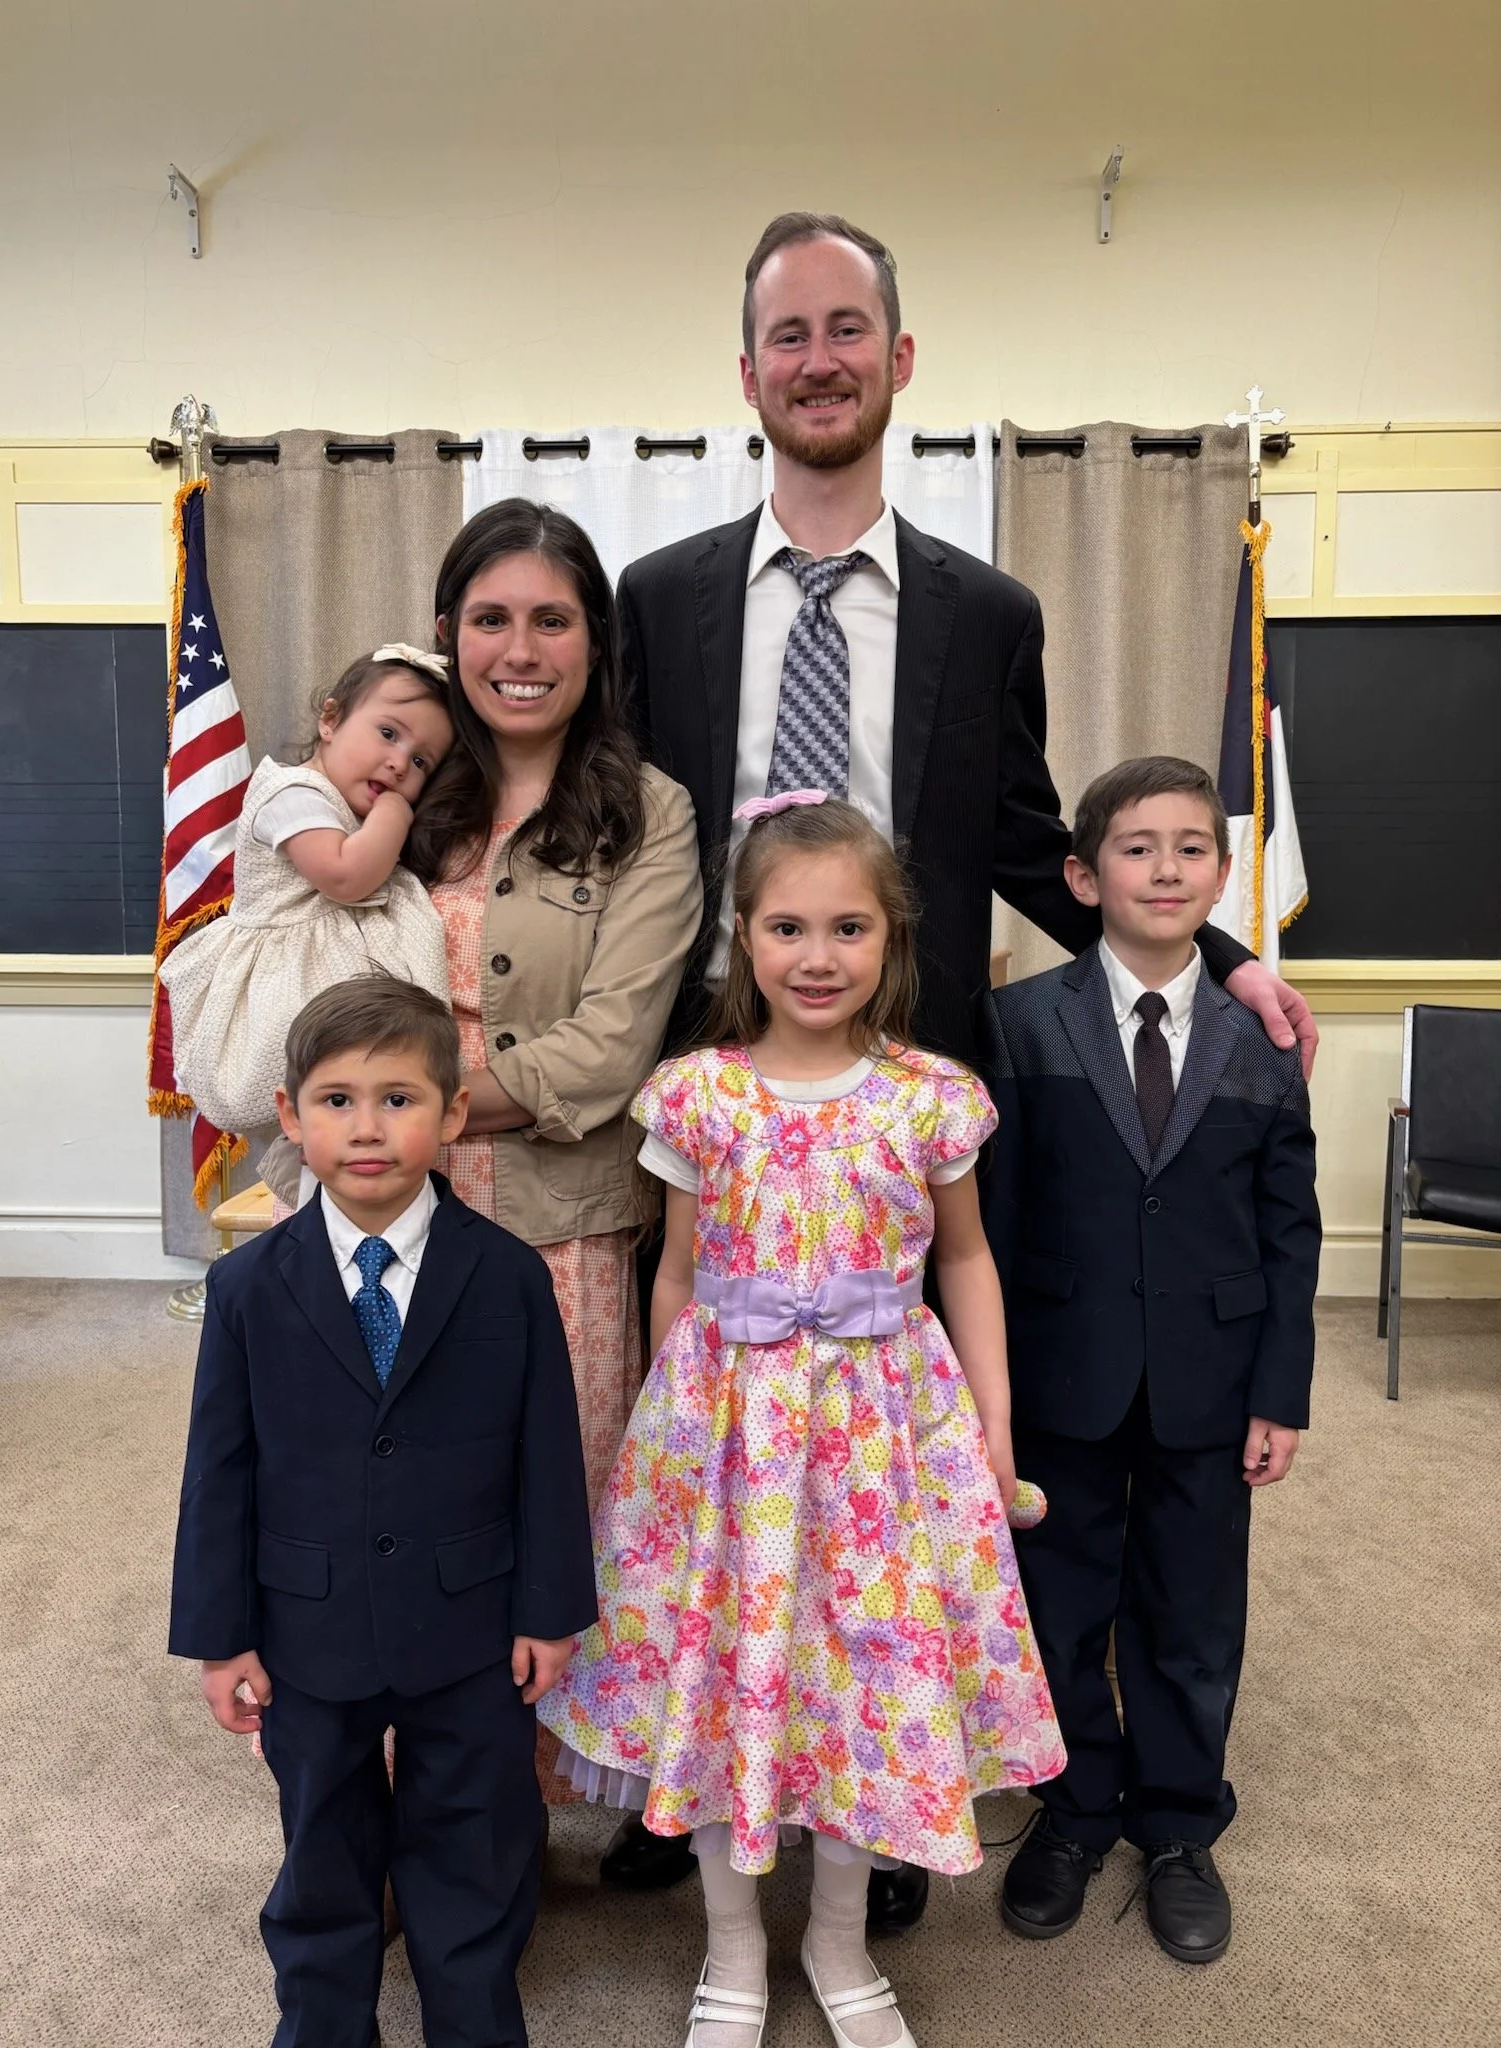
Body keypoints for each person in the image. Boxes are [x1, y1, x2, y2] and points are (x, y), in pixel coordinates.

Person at [609, 208, 1319, 1926]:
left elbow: (1028, 839)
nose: (822, 359)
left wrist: (1223, 963)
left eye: (851, 327)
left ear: (900, 358)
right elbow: (608, 835)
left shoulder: (988, 611)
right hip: (707, 1097)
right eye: (789, 334)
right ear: (750, 374)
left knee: (883, 1474)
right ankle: (698, 1773)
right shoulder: (661, 600)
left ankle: (874, 1765)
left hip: (894, 1115)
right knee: (718, 1449)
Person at [539, 794, 1065, 2048]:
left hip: (885, 1437)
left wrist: (992, 1429)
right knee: (728, 1680)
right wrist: (670, 1441)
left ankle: (836, 1941)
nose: (817, 955)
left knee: (855, 1689)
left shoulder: (930, 1096)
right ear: (742, 936)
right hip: (729, 1443)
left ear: (893, 939)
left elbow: (971, 1263)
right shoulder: (697, 1096)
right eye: (787, 926)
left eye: (848, 926)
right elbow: (674, 1270)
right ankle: (729, 1946)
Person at [168, 975, 597, 2047]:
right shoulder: (249, 1286)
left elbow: (549, 1453)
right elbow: (217, 1470)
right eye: (339, 1098)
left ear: (452, 1113)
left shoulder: (505, 1277)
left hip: (470, 1623)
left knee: (472, 1844)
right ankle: (321, 2023)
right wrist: (221, 1639)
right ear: (292, 1112)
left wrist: (550, 1611)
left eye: (399, 1097)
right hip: (305, 1625)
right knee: (323, 1842)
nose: (368, 1125)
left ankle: (473, 2019)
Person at [976, 757, 1320, 1965]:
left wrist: (1282, 1389)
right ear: (1082, 874)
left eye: (1190, 847)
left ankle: (1179, 1824)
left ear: (1223, 876)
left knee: (1189, 1612)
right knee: (1059, 1601)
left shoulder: (1263, 1029)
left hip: (1211, 1381)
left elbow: (1291, 1223)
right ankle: (1074, 1808)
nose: (1166, 867)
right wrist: (993, 1392)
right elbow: (994, 1227)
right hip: (1063, 1375)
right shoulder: (1022, 1020)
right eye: (1136, 846)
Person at [403, 498, 702, 1801]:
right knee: (402, 1519)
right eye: (489, 618)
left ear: (596, 643)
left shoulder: (648, 812)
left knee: (541, 1527)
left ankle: (511, 1816)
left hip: (559, 1232)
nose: (519, 648)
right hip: (382, 1216)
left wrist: (402, 1098)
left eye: (551, 618)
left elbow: (611, 1049)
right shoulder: (389, 787)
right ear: (444, 633)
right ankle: (403, 1794)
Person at [161, 644, 454, 1135]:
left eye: (421, 761)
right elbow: (346, 878)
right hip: (282, 967)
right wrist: (396, 812)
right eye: (387, 734)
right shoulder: (292, 793)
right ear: (331, 721)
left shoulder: (343, 805)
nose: (399, 764)